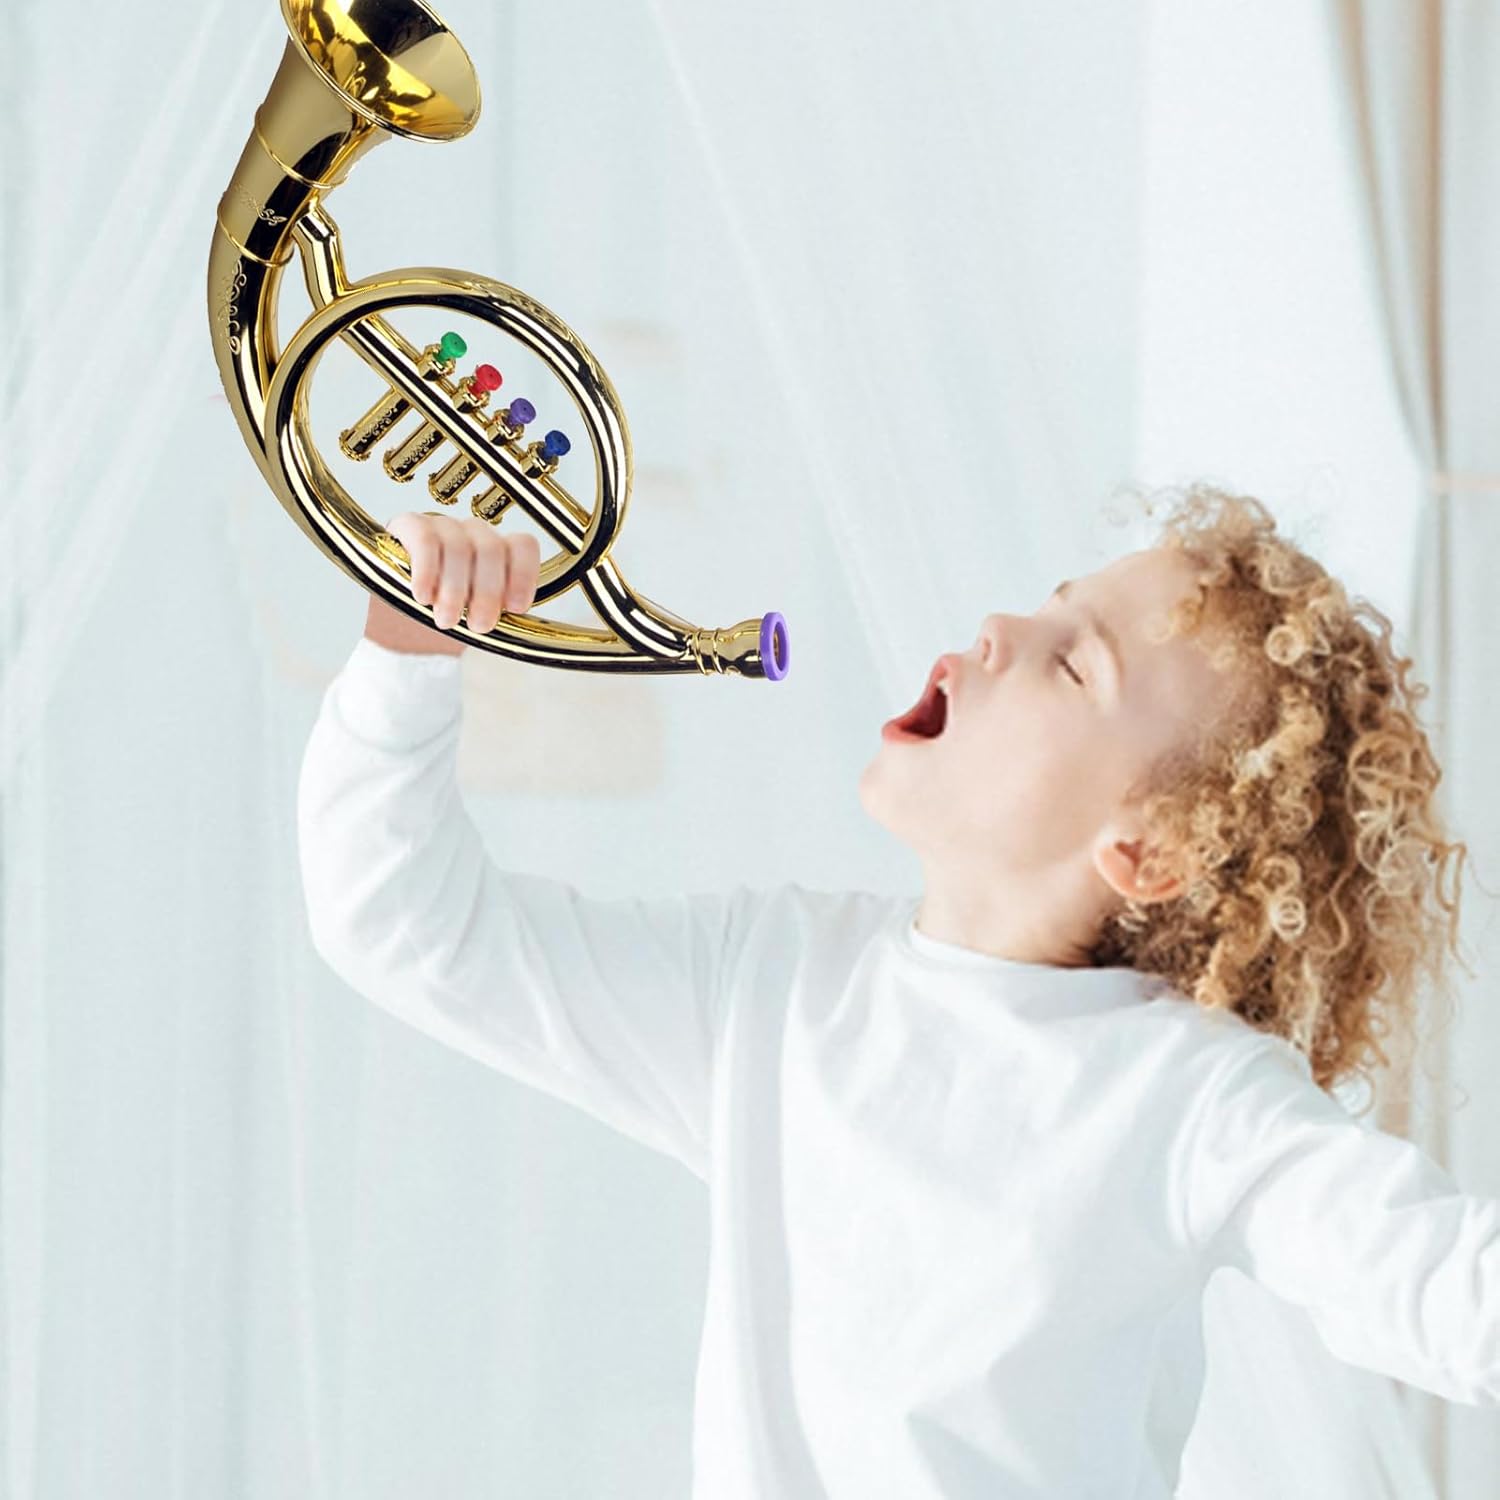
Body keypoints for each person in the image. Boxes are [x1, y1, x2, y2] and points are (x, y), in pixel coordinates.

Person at [297, 483, 1499, 1498]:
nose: (1000, 628)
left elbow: (1444, 1289)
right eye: (1048, 605)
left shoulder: (1192, 1099)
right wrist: (406, 662)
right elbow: (404, 924)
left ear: (1149, 850)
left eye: (1074, 664)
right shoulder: (773, 988)